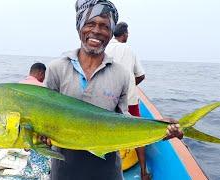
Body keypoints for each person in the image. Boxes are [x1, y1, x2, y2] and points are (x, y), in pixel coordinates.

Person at [44, 0, 183, 179]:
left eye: (104, 26)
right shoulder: (56, 69)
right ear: (79, 27)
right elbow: (45, 120)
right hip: (64, 171)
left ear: (110, 33)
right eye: (90, 23)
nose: (96, 30)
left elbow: (122, 119)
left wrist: (160, 129)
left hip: (107, 171)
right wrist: (39, 139)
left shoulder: (122, 74)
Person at [105, 22, 149, 179]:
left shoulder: (105, 48)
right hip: (129, 100)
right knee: (139, 134)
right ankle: (144, 172)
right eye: (127, 33)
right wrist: (130, 86)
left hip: (107, 100)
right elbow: (141, 75)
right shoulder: (129, 50)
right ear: (124, 34)